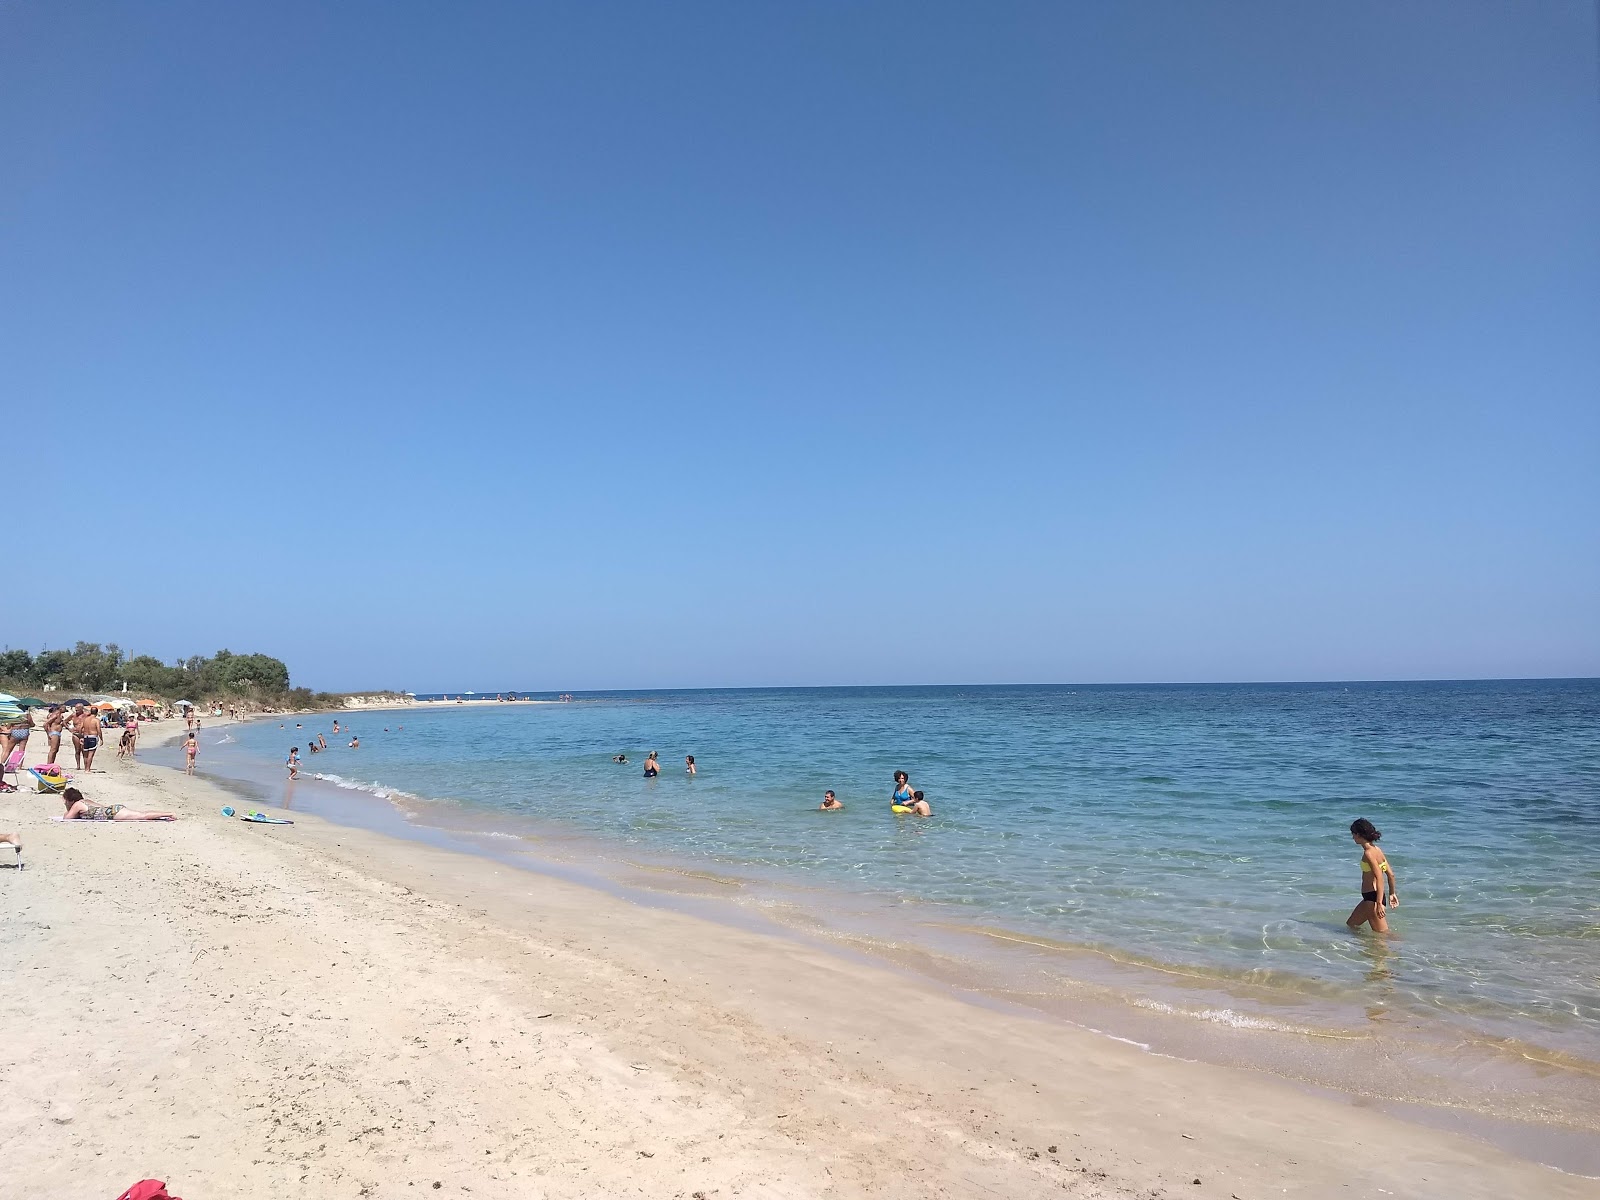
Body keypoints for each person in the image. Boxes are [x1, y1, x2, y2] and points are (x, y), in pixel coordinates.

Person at [1347, 818, 1398, 932]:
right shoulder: (1377, 850)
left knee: (1382, 936)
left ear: (1359, 834)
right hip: (1371, 898)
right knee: (1351, 925)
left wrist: (1379, 903)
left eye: (1353, 834)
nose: (1353, 837)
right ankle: (1365, 947)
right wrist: (1392, 893)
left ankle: (1403, 948)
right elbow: (1390, 874)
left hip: (1373, 899)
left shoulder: (1368, 853)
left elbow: (1379, 877)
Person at [62, 786, 176, 821]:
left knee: (142, 816)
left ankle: (169, 814)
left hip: (113, 813)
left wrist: (68, 810)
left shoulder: (77, 805)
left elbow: (67, 818)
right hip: (113, 809)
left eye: (66, 801)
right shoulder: (85, 801)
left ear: (70, 800)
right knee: (141, 814)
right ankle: (166, 815)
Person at [74, 706, 104, 771]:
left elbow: (80, 728)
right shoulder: (96, 720)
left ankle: (85, 768)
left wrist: (81, 736)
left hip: (85, 737)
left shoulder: (85, 719)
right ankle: (87, 769)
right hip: (93, 737)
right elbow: (99, 730)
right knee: (91, 753)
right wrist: (101, 739)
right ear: (97, 712)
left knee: (85, 754)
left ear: (90, 712)